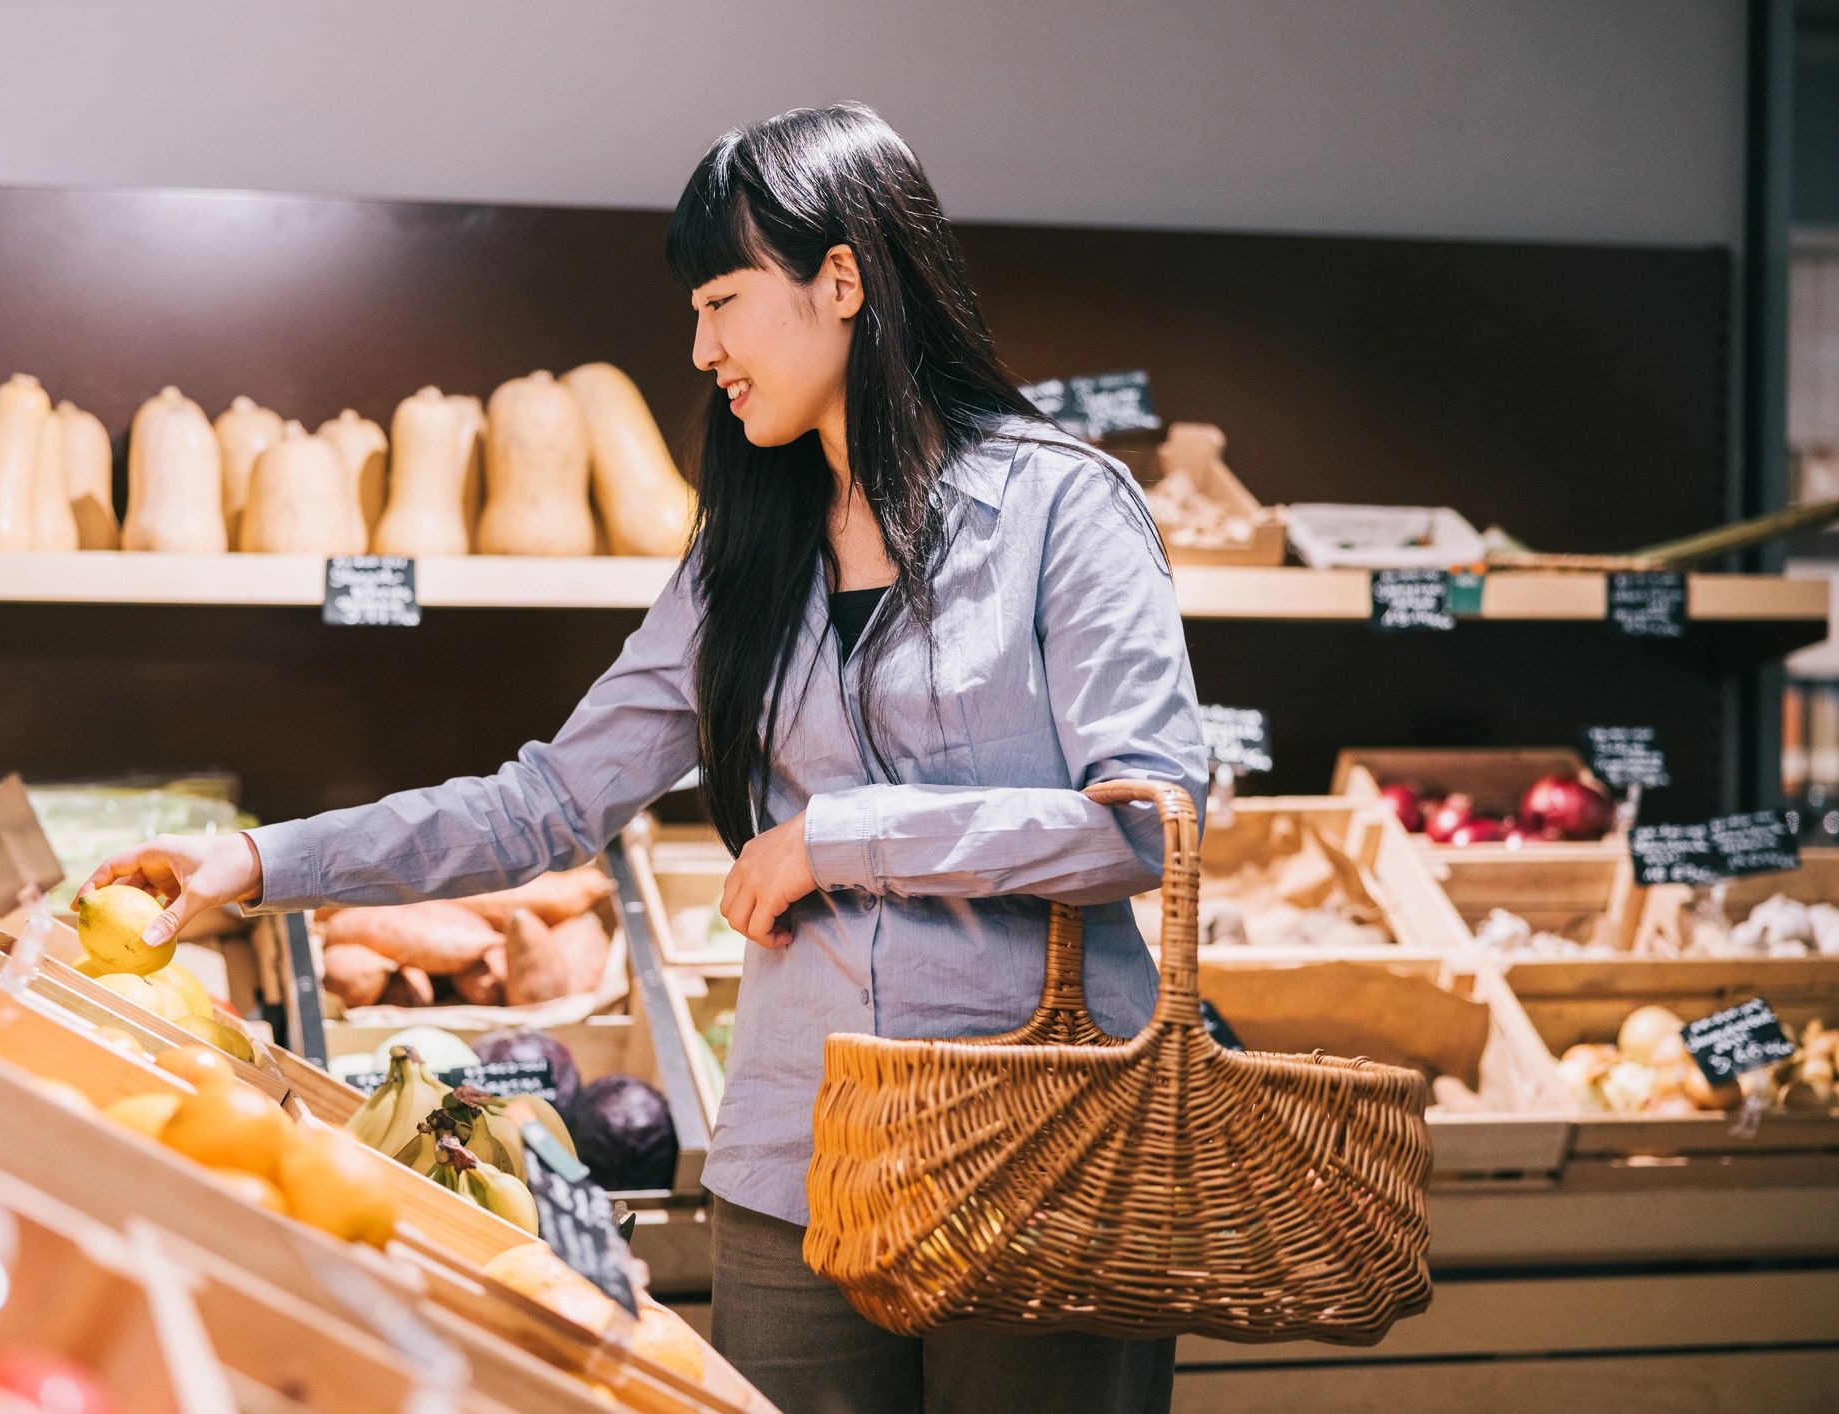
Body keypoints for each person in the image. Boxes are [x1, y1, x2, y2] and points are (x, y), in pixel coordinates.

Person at [83, 102, 1204, 1414]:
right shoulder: (746, 555)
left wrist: (839, 836)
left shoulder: (1063, 507)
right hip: (798, 1168)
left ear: (841, 279)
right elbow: (552, 799)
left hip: (1045, 1160)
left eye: (724, 299)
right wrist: (262, 861)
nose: (700, 347)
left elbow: (1148, 819)